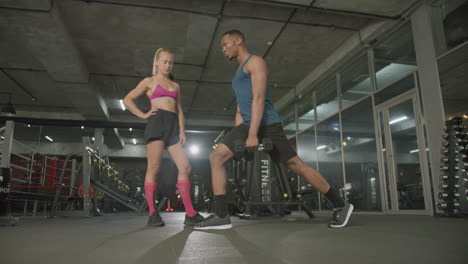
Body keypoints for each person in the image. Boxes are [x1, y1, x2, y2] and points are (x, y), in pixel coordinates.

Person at [194, 30, 354, 230]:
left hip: (267, 124)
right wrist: (240, 136)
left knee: (296, 165)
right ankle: (221, 216)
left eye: (226, 44)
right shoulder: (237, 73)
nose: (223, 49)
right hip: (247, 123)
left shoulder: (256, 62)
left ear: (238, 40)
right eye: (222, 46)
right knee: (216, 157)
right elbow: (240, 106)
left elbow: (259, 98)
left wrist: (253, 134)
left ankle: (341, 204)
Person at [123, 48, 204, 227]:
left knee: (186, 166)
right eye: (165, 62)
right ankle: (153, 214)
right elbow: (127, 99)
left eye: (171, 62)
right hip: (157, 123)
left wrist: (182, 131)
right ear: (157, 62)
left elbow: (179, 109)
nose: (168, 65)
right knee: (154, 167)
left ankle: (190, 213)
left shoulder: (176, 86)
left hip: (173, 126)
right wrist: (143, 115)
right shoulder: (149, 81)